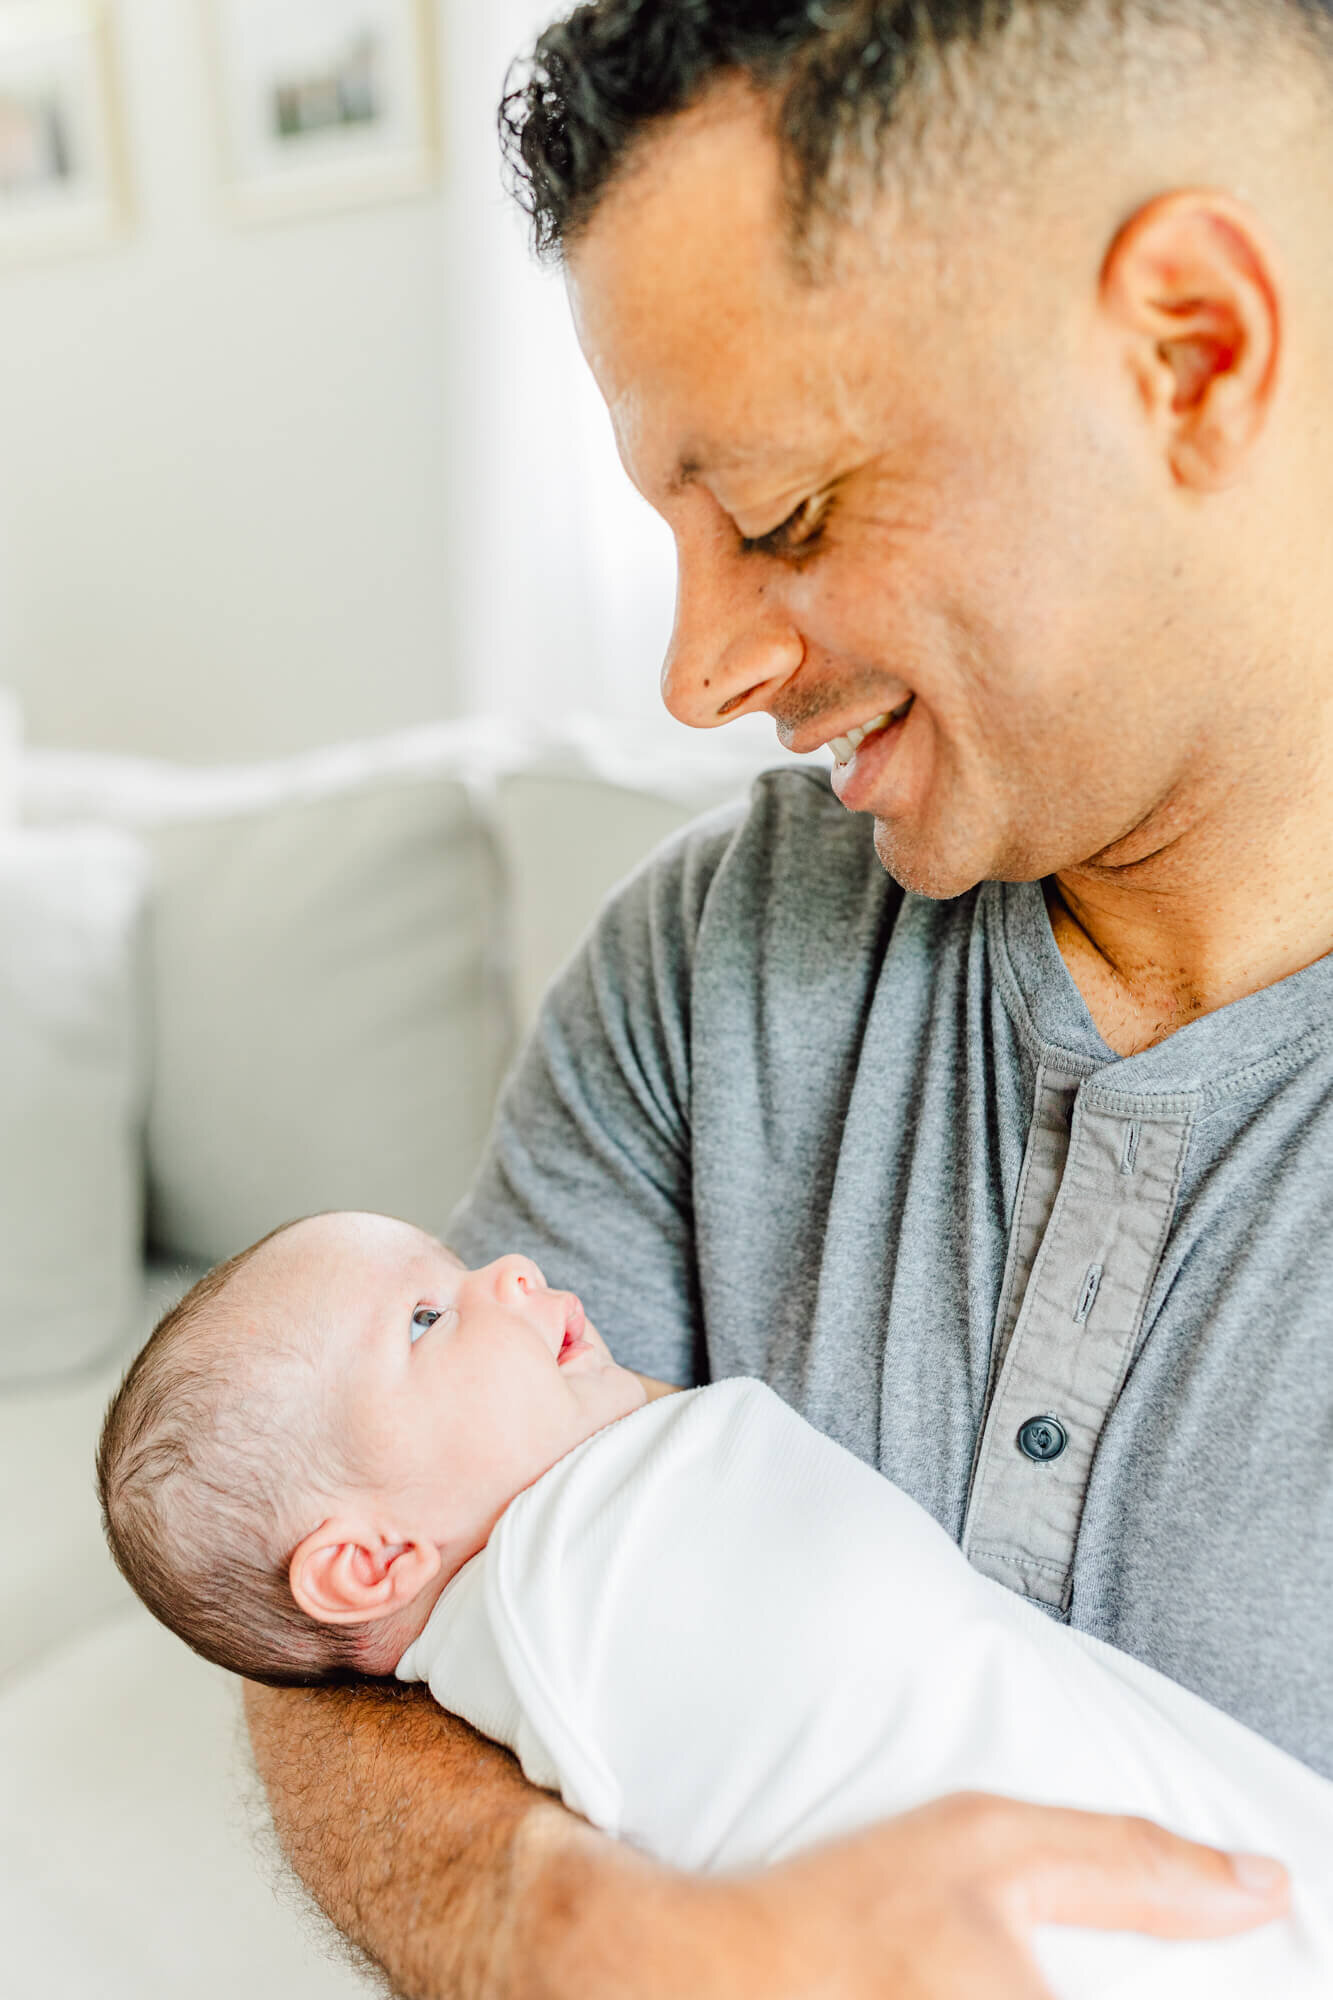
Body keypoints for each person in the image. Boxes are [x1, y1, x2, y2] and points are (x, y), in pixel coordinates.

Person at [242, 2, 1333, 1993]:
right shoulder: (715, 950)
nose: (696, 671)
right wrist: (583, 1930)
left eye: (776, 516)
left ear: (1192, 355)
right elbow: (348, 1631)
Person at [96, 1211, 1326, 1996]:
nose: (511, 1267)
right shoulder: (535, 1605)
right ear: (367, 1566)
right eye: (426, 1317)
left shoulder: (561, 1510)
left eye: (461, 1269)